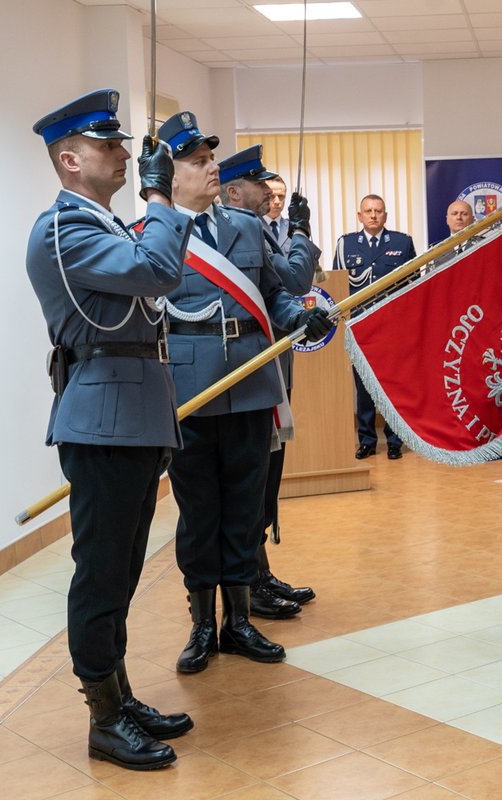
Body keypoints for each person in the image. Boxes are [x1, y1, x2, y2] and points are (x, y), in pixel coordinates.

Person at [27, 89, 194, 770]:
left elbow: (163, 285)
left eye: (122, 144)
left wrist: (153, 210)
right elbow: (157, 271)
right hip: (102, 422)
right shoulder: (63, 229)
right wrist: (160, 201)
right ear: (70, 159)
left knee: (123, 570)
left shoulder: (103, 225)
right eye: (108, 144)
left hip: (132, 415)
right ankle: (102, 717)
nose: (125, 153)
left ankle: (119, 695)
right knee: (100, 574)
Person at [156, 112, 332, 674]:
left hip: (254, 385)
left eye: (212, 160)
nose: (211, 169)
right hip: (191, 393)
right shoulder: (151, 236)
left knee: (245, 508)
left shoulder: (246, 226)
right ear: (171, 175)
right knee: (199, 512)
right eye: (199, 162)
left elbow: (278, 296)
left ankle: (238, 621)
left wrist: (300, 320)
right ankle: (202, 624)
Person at [217, 145, 322, 620]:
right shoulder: (240, 235)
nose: (269, 192)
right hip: (254, 373)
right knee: (253, 482)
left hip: (271, 371)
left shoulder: (255, 230)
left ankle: (259, 569)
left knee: (266, 477)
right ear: (235, 192)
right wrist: (301, 232)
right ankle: (250, 581)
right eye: (261, 184)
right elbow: (297, 280)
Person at [334, 193, 416, 459]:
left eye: (378, 211)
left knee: (392, 385)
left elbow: (412, 287)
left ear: (385, 215)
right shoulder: (346, 245)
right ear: (360, 216)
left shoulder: (402, 243)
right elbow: (337, 287)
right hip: (360, 327)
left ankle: (394, 440)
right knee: (364, 386)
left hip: (393, 327)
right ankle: (367, 440)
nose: (373, 215)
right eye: (368, 211)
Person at [264, 176, 291, 251]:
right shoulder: (254, 227)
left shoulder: (293, 228)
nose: (277, 201)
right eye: (272, 196)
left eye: (281, 196)